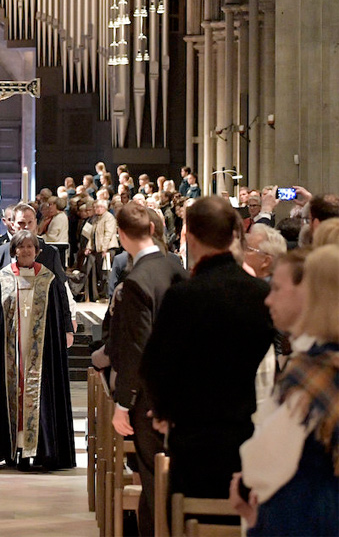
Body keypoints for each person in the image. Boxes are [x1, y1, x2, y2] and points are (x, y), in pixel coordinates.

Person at [141, 196, 274, 499]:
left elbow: (155, 366)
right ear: (234, 236)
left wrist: (163, 410)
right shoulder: (260, 292)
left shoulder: (184, 296)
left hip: (192, 437)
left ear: (190, 237)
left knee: (188, 519)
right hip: (245, 431)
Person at [230, 245, 339, 535]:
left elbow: (266, 457)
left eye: (277, 288)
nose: (268, 299)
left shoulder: (314, 372)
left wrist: (245, 481)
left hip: (306, 515)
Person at [0, 229, 75, 471]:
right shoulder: (2, 280)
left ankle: (33, 449)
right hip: (8, 353)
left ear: (38, 251)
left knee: (36, 394)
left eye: (30, 247)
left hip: (40, 352)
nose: (25, 251)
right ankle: (11, 448)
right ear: (13, 250)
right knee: (11, 391)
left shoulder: (49, 281)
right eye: (21, 247)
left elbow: (57, 317)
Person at [106, 204, 187, 535]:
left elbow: (137, 348)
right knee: (176, 476)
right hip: (182, 386)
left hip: (150, 395)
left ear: (122, 237)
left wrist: (124, 402)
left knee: (153, 479)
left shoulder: (137, 280)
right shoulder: (177, 266)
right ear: (153, 230)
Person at [0, 203, 74, 338]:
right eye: (21, 223)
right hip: (6, 327)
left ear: (36, 223)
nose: (26, 227)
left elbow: (61, 291)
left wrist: (67, 326)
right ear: (12, 224)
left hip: (42, 326)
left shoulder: (50, 253)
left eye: (30, 222)